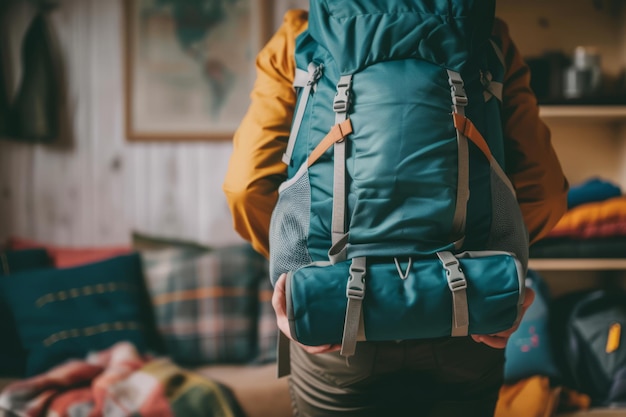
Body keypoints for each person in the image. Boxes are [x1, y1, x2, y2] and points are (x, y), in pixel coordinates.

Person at [223, 6, 568, 417]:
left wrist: (298, 270)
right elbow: (545, 193)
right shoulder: (484, 31)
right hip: (463, 313)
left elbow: (245, 189)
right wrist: (496, 258)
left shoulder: (301, 34)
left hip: (337, 314)